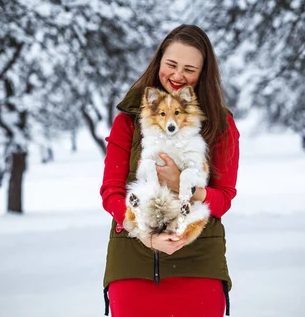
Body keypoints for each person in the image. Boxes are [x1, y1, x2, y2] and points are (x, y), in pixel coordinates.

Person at [100, 24, 240, 317]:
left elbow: (223, 199)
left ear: (202, 74)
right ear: (159, 62)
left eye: (189, 69)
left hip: (198, 263)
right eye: (171, 64)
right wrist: (145, 234)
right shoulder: (128, 121)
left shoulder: (219, 124)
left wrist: (183, 185)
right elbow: (111, 193)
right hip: (133, 264)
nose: (177, 76)